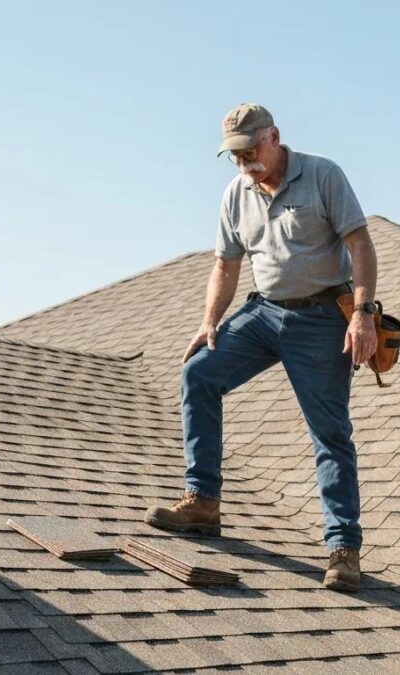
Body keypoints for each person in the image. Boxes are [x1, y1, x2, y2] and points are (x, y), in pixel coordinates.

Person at [143, 103, 379, 592]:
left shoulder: (322, 176)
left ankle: (343, 548)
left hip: (320, 318)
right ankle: (203, 502)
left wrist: (362, 314)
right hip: (263, 312)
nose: (244, 162)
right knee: (199, 373)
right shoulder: (236, 193)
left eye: (251, 151)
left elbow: (360, 246)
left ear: (274, 137)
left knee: (329, 433)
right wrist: (209, 323)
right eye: (235, 156)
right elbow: (226, 266)